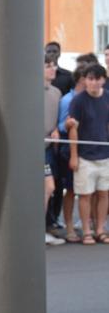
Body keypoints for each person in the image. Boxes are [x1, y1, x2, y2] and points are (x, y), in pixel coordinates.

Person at [66, 63, 109, 244]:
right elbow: (73, 128)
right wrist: (74, 155)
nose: (92, 83)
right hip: (85, 156)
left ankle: (100, 229)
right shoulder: (78, 100)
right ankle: (86, 231)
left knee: (104, 194)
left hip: (105, 155)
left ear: (103, 80)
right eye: (89, 79)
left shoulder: (107, 98)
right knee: (84, 195)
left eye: (96, 79)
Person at [57, 66, 85, 242]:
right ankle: (68, 226)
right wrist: (68, 126)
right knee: (71, 190)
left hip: (90, 151)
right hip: (70, 150)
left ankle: (86, 224)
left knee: (91, 191)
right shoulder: (69, 100)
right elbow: (60, 125)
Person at [44, 58, 64, 246]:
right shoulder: (30, 91)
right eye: (48, 66)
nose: (53, 69)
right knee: (48, 187)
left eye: (53, 65)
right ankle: (38, 229)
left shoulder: (57, 92)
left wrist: (56, 129)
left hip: (49, 148)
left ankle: (42, 227)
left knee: (49, 187)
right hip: (35, 148)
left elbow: (56, 119)